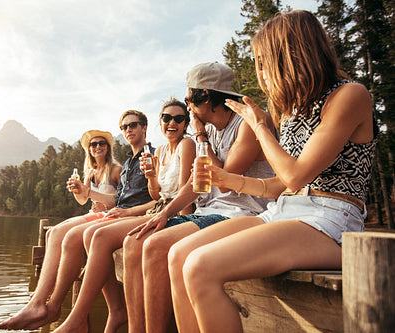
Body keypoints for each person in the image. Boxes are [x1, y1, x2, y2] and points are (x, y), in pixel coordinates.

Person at [168, 10, 376, 333]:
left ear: (292, 55)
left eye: (263, 62)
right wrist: (229, 180)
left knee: (199, 267)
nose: (261, 73)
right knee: (179, 255)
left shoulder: (350, 96)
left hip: (331, 221)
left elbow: (296, 175)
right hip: (285, 211)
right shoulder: (294, 111)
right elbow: (282, 185)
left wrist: (260, 127)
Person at [123, 62, 275, 333]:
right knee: (137, 239)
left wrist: (201, 134)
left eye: (189, 99)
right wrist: (164, 213)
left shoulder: (246, 124)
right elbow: (196, 183)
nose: (188, 106)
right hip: (210, 211)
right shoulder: (213, 129)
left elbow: (227, 180)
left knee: (155, 246)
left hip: (242, 214)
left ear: (205, 95)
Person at [0, 111, 155, 331]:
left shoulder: (139, 161)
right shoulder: (128, 164)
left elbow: (155, 197)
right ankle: (44, 303)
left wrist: (95, 196)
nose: (128, 129)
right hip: (116, 214)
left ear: (145, 127)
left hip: (127, 216)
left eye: (133, 125)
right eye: (124, 126)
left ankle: (56, 309)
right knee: (54, 233)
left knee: (75, 235)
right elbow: (109, 200)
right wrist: (82, 191)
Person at [52, 98, 196, 333]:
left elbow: (183, 194)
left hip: (167, 213)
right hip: (154, 210)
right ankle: (112, 313)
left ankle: (81, 316)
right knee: (80, 235)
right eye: (167, 118)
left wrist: (182, 223)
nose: (172, 123)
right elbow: (157, 193)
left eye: (178, 119)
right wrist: (150, 178)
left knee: (97, 236)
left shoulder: (183, 145)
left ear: (144, 127)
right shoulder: (153, 154)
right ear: (160, 122)